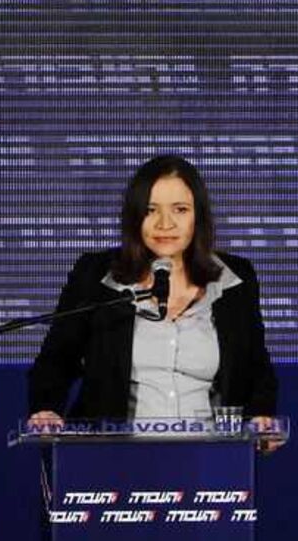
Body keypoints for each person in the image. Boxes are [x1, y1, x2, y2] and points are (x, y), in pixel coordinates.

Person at [26, 155, 281, 451]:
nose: (165, 224)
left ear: (198, 216)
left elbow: (256, 369)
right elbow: (55, 362)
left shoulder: (235, 279)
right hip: (112, 460)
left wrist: (261, 417)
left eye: (180, 210)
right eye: (150, 210)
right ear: (135, 217)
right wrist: (46, 409)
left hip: (209, 460)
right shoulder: (96, 276)